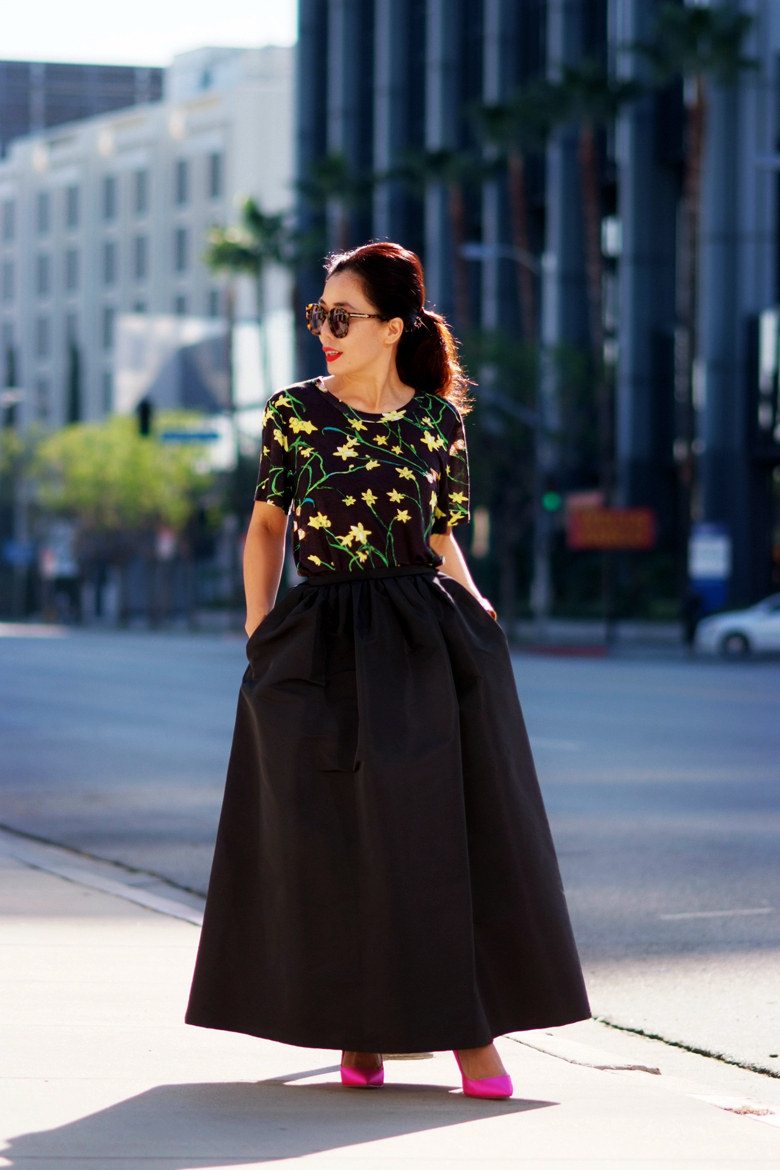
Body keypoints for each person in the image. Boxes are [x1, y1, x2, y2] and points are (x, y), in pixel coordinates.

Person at [185, 241, 590, 1099]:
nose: (325, 331)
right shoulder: (295, 412)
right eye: (318, 315)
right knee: (328, 838)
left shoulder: (439, 420)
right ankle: (356, 1032)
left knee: (433, 837)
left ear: (394, 326)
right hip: (319, 632)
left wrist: (477, 606)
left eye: (343, 316)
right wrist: (259, 627)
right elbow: (265, 527)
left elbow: (443, 535)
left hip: (420, 636)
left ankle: (467, 1034)